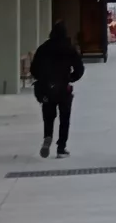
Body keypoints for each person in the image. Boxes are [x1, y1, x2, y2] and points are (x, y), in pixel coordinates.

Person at [31, 22, 85, 159]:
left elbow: (34, 69)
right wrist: (70, 78)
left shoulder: (43, 48)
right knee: (64, 118)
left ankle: (47, 137)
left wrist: (43, 79)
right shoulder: (69, 48)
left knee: (48, 117)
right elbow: (79, 69)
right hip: (63, 89)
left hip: (47, 89)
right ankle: (61, 148)